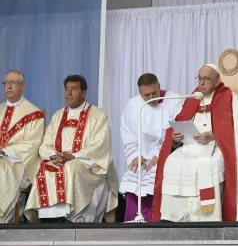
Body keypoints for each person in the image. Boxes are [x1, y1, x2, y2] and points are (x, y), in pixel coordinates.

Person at [152, 64, 238, 222]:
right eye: (199, 78)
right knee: (172, 161)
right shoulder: (193, 98)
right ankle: (173, 215)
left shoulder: (231, 99)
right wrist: (176, 137)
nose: (201, 83)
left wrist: (214, 136)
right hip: (190, 147)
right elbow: (180, 121)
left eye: (206, 79)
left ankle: (206, 216)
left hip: (216, 148)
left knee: (209, 164)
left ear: (217, 81)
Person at [25, 75, 118, 223]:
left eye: (74, 89)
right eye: (67, 89)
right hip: (60, 158)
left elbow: (100, 146)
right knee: (44, 168)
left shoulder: (98, 116)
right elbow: (46, 143)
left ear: (84, 92)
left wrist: (73, 157)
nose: (69, 93)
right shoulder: (58, 115)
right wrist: (54, 155)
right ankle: (49, 218)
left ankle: (71, 217)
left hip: (88, 164)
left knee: (70, 168)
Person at [119, 73, 181, 222]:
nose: (151, 98)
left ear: (159, 86)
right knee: (133, 176)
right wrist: (134, 154)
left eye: (154, 92)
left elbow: (175, 131)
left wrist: (161, 153)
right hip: (140, 155)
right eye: (146, 95)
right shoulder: (133, 105)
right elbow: (127, 132)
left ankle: (155, 222)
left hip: (165, 155)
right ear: (140, 93)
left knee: (156, 179)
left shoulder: (175, 101)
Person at [0, 70, 44, 223]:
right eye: (6, 83)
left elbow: (33, 143)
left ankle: (4, 222)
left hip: (19, 162)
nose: (8, 87)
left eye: (13, 83)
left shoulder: (34, 113)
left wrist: (5, 151)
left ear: (23, 86)